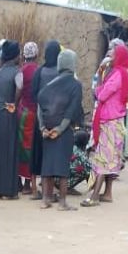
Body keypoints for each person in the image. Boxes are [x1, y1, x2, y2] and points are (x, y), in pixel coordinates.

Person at [83, 41, 128, 207]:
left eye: (112, 55)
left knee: (103, 159)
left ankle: (95, 196)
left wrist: (98, 85)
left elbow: (101, 94)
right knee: (111, 159)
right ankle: (107, 193)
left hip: (109, 120)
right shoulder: (125, 74)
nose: (109, 58)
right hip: (116, 120)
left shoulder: (117, 75)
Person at [38, 49, 84, 210]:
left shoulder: (49, 85)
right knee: (63, 167)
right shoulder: (76, 85)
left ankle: (45, 199)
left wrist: (43, 127)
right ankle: (62, 202)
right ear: (72, 64)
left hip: (47, 130)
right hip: (63, 131)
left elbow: (40, 104)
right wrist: (60, 128)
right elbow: (72, 110)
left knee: (47, 166)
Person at [0, 40, 22, 199]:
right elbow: (20, 87)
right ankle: (8, 191)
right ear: (15, 56)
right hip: (8, 114)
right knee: (9, 150)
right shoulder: (16, 71)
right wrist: (14, 103)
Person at [30, 40, 61, 200]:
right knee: (52, 155)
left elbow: (33, 95)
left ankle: (35, 189)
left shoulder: (39, 71)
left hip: (40, 117)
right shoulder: (61, 72)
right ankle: (52, 191)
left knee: (38, 152)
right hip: (57, 119)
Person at [17, 42, 39, 195]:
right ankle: (28, 183)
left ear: (24, 55)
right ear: (36, 55)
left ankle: (20, 182)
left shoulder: (21, 71)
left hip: (21, 112)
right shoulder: (38, 71)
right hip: (34, 113)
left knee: (21, 147)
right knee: (30, 147)